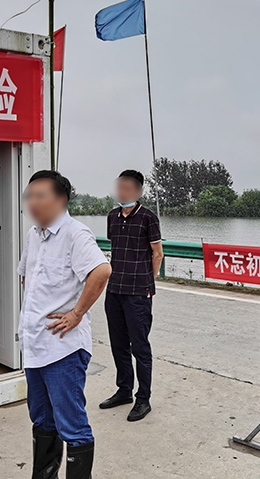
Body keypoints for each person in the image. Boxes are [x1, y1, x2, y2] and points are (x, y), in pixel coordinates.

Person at [18, 170, 111, 479]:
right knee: (42, 419)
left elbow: (101, 271)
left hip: (63, 350)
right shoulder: (34, 235)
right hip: (36, 345)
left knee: (72, 425)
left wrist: (76, 313)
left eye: (40, 196)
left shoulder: (75, 234)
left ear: (61, 200)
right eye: (29, 196)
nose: (32, 202)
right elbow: (27, 278)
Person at [99, 170, 163, 422]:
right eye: (119, 187)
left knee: (140, 347)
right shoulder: (112, 216)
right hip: (114, 289)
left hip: (138, 293)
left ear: (138, 191)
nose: (122, 192)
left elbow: (157, 254)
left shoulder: (148, 218)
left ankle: (143, 398)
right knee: (118, 344)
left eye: (127, 188)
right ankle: (124, 390)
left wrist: (148, 281)